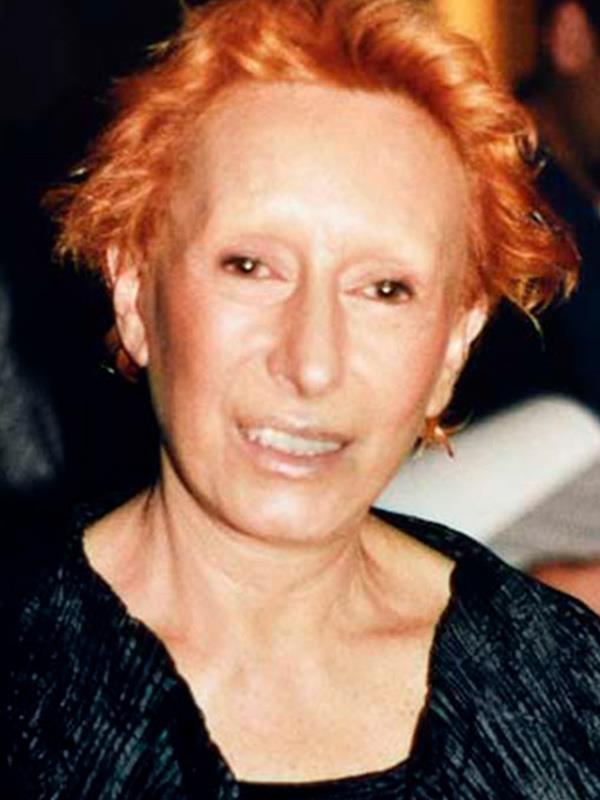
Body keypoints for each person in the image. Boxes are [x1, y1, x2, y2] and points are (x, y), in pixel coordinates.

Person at [3, 0, 600, 797]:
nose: (312, 364)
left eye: (384, 288)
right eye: (250, 267)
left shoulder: (563, 683)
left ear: (454, 345)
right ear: (135, 293)